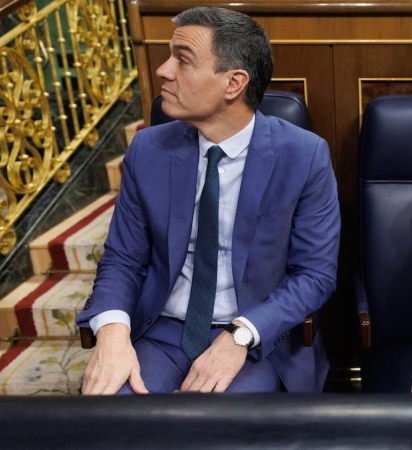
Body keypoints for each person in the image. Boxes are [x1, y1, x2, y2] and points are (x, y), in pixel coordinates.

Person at [77, 7, 340, 394]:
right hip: (162, 330)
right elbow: (123, 258)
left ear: (233, 83)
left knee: (216, 430)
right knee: (114, 416)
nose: (163, 70)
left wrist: (241, 335)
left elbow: (314, 275)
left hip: (257, 338)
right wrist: (113, 332)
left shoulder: (303, 155)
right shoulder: (148, 149)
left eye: (182, 60)